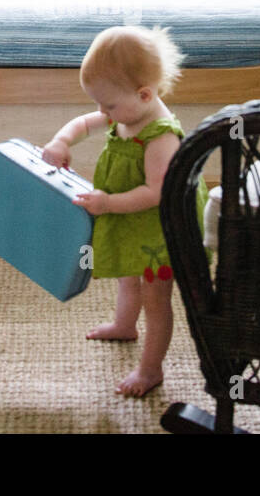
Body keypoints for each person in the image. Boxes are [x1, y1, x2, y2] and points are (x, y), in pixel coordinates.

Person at [42, 26, 205, 397]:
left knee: (156, 299)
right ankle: (124, 324)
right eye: (100, 105)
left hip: (160, 230)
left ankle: (151, 370)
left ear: (145, 94)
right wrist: (62, 140)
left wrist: (108, 203)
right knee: (127, 277)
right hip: (132, 222)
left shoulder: (161, 135)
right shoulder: (127, 111)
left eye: (108, 106)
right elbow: (84, 123)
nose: (102, 113)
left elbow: (157, 192)